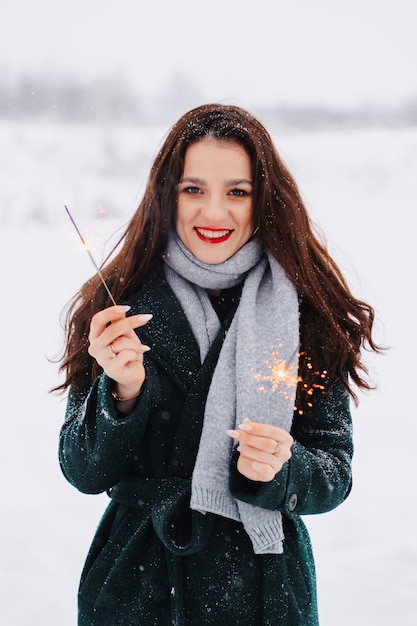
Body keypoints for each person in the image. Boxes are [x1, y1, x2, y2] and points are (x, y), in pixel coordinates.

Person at [55, 103, 380, 625]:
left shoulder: (305, 313)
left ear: (263, 199)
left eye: (237, 191)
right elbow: (82, 469)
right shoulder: (117, 308)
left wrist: (283, 467)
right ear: (168, 195)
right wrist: (122, 395)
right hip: (140, 588)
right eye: (193, 189)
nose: (213, 213)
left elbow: (333, 472)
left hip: (265, 589)